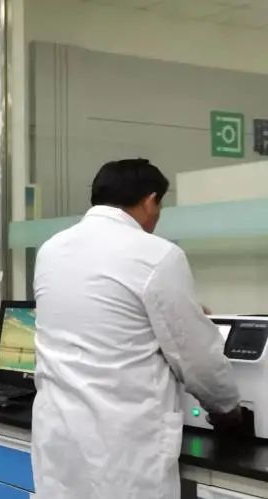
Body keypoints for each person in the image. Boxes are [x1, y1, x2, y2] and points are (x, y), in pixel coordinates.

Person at [31, 159, 243, 499]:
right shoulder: (156, 254)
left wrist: (175, 314)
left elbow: (101, 320)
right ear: (150, 200)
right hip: (123, 449)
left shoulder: (51, 249)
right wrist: (227, 408)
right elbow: (196, 357)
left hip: (59, 439)